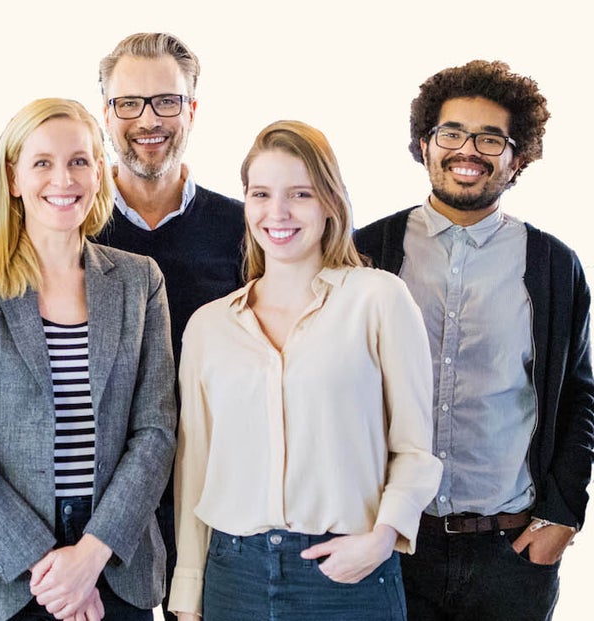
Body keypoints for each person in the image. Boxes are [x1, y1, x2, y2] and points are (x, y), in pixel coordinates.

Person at [170, 121, 442, 620]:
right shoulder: (208, 327)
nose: (278, 213)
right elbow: (195, 467)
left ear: (330, 203)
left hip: (346, 574)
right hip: (234, 576)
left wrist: (382, 538)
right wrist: (187, 596)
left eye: (300, 193)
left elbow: (415, 448)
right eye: (261, 194)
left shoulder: (377, 299)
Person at [354, 60, 594, 620]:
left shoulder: (554, 265)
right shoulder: (367, 252)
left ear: (518, 157)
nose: (468, 150)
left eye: (491, 138)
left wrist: (563, 515)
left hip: (508, 555)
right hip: (390, 543)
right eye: (452, 133)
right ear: (424, 143)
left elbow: (582, 396)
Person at [0, 98, 175, 621]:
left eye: (79, 161)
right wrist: (51, 567)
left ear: (100, 173)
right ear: (13, 177)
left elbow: (156, 431)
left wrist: (89, 556)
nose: (63, 178)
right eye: (42, 162)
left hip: (112, 569)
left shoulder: (139, 281)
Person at [90, 33, 246, 619]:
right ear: (106, 113)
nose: (148, 119)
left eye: (167, 101)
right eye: (129, 102)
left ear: (193, 110)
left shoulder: (248, 227)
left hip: (214, 488)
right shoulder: (70, 226)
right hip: (101, 493)